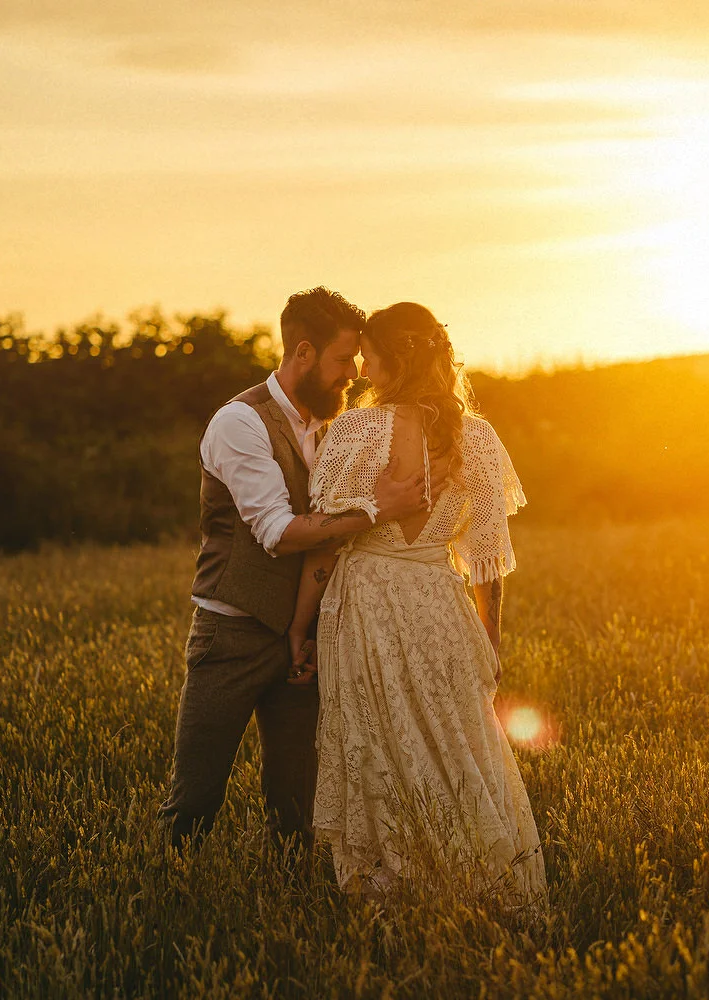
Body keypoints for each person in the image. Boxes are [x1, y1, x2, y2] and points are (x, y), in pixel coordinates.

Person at [288, 301, 545, 900]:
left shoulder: (354, 432)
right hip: (438, 603)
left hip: (367, 606)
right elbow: (487, 560)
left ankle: (395, 885)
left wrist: (299, 627)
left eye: (367, 355)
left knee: (376, 741)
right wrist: (489, 638)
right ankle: (476, 879)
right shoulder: (479, 438)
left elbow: (325, 545)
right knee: (456, 743)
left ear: (393, 361)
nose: (361, 367)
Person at [158, 287, 431, 849]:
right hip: (232, 632)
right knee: (195, 799)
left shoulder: (335, 425)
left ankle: (289, 889)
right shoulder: (240, 422)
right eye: (342, 361)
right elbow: (278, 534)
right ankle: (166, 885)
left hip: (306, 638)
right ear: (303, 353)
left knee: (296, 806)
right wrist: (376, 509)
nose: (352, 375)